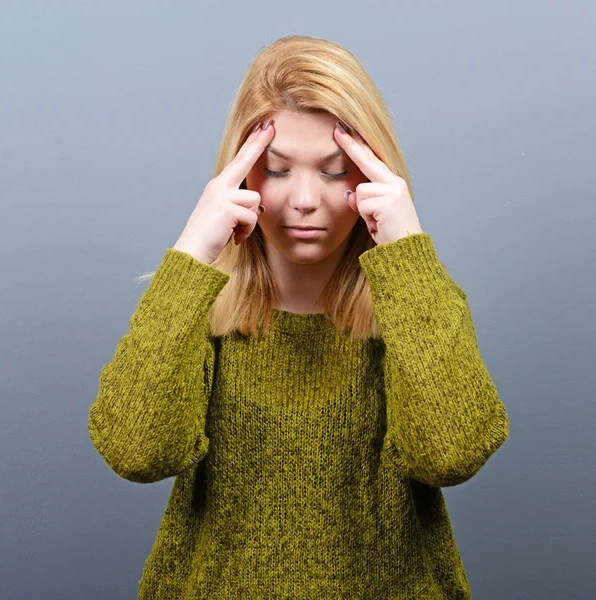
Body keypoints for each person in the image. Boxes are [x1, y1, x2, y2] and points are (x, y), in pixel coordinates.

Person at [88, 34, 509, 599]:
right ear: (238, 175)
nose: (305, 199)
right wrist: (191, 254)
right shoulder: (193, 310)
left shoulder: (418, 306)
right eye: (278, 169)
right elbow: (135, 451)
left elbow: (452, 452)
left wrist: (408, 256)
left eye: (335, 171)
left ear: (372, 175)